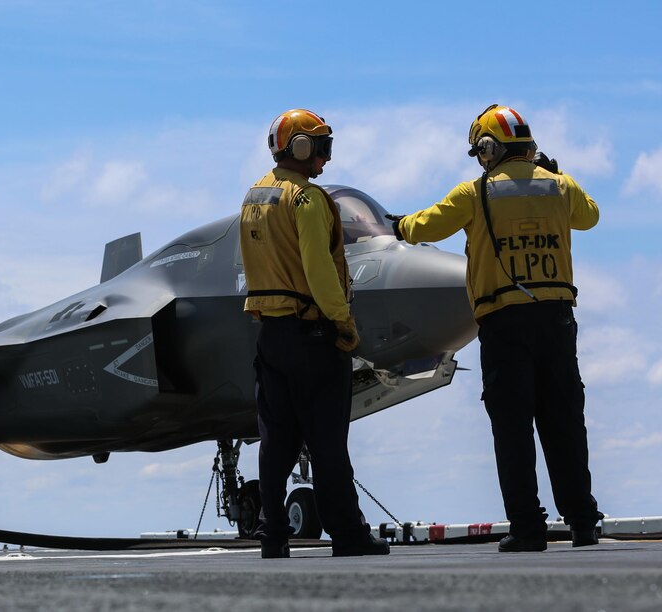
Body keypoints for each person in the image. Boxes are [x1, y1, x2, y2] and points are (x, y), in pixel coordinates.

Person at [390, 104, 602, 552]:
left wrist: (399, 225)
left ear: (489, 148)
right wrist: (555, 174)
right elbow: (590, 216)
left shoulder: (476, 192)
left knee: (513, 427)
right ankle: (583, 521)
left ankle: (528, 527)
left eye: (480, 151)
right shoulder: (560, 188)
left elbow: (423, 226)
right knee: (565, 421)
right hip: (558, 322)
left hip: (504, 324)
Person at [239, 108, 390, 559]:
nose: (324, 157)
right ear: (301, 148)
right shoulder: (306, 199)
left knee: (276, 441)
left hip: (271, 337)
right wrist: (342, 322)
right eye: (319, 146)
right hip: (313, 334)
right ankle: (347, 535)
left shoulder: (254, 197)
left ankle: (272, 536)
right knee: (327, 442)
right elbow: (319, 269)